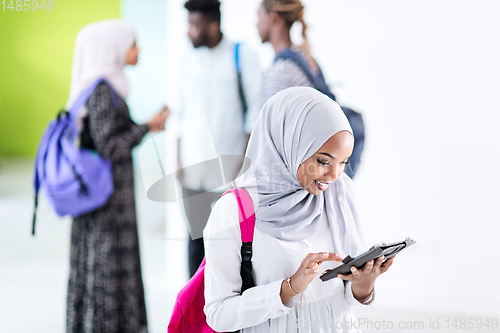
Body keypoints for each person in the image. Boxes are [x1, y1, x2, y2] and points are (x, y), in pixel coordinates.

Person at [203, 87, 395, 332]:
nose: (335, 175)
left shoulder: (340, 194)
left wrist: (364, 284)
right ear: (288, 144)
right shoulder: (233, 210)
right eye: (323, 161)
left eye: (343, 163)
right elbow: (219, 315)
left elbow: (348, 296)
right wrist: (289, 288)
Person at [65, 20, 169, 333]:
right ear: (111, 48)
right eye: (133, 43)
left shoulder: (106, 89)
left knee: (107, 267)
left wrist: (144, 126)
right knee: (106, 268)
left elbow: (108, 135)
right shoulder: (100, 91)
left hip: (110, 200)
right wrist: (146, 128)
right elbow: (110, 145)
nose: (138, 50)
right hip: (107, 205)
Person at [176, 0, 262, 277]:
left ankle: (226, 314)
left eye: (194, 26)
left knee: (228, 247)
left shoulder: (241, 54)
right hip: (192, 171)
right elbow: (181, 111)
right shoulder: (189, 58)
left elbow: (255, 111)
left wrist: (241, 164)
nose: (189, 32)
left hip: (228, 172)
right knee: (194, 243)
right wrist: (178, 160)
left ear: (213, 25)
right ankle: (193, 312)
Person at [256, 0, 363, 178]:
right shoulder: (305, 58)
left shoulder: (281, 71)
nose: (256, 23)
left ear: (273, 17)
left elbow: (269, 142)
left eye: (258, 16)